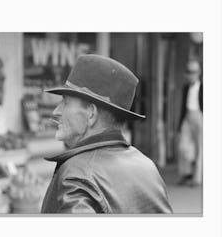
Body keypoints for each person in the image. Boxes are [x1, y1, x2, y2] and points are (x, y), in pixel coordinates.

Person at [41, 54, 172, 214]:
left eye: (66, 102)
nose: (56, 111)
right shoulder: (147, 166)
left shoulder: (77, 173)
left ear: (91, 114)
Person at [177, 60, 203, 186]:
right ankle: (186, 174)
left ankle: (197, 178)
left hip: (200, 116)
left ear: (199, 73)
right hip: (187, 116)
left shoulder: (203, 87)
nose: (190, 74)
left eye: (193, 72)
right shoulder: (186, 87)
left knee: (200, 148)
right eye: (188, 71)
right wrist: (179, 125)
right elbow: (182, 107)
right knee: (182, 146)